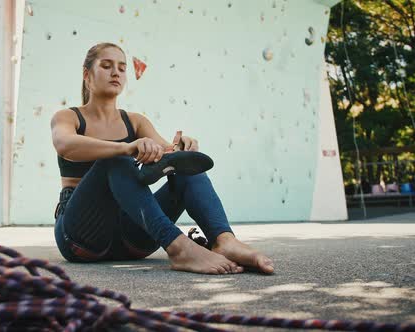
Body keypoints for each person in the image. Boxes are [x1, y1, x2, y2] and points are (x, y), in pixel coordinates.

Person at [50, 42, 274, 275]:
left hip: (133, 236)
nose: (116, 72)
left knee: (187, 166)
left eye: (122, 68)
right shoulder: (69, 117)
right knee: (115, 159)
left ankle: (224, 240)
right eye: (106, 66)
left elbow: (167, 153)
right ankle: (179, 248)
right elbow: (65, 144)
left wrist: (180, 149)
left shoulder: (135, 121)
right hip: (82, 236)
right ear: (87, 74)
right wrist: (126, 149)